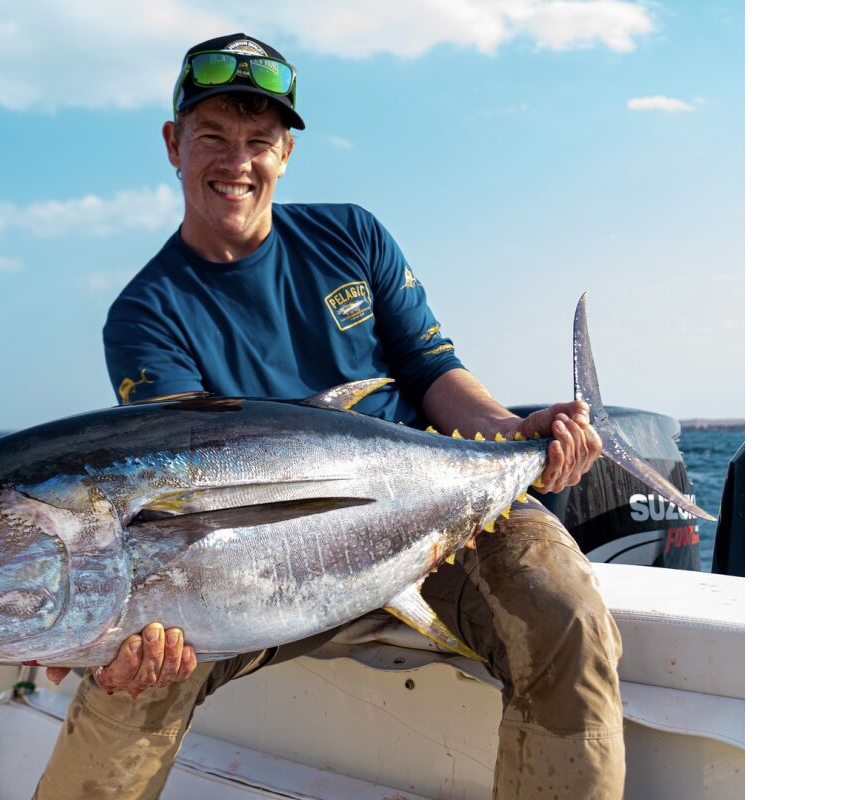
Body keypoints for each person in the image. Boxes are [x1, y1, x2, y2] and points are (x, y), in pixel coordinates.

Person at [34, 33, 624, 800]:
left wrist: (514, 434)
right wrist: (98, 634)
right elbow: (174, 487)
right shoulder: (147, 313)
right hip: (250, 570)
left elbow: (431, 369)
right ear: (173, 144)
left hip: (434, 518)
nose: (237, 161)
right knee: (132, 681)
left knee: (568, 617)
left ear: (286, 154)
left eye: (260, 140)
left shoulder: (351, 236)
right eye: (212, 137)